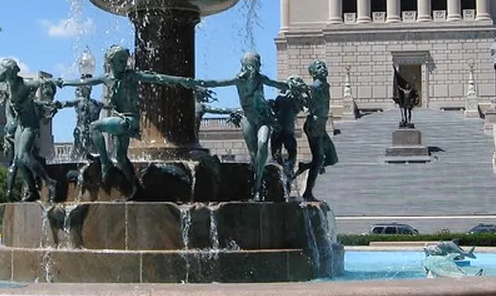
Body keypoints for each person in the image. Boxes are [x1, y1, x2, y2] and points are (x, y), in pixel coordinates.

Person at [56, 45, 208, 197]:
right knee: (121, 157)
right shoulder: (106, 78)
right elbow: (83, 82)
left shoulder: (132, 76)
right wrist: (64, 82)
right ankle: (136, 188)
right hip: (120, 120)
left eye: (125, 60)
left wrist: (183, 81)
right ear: (111, 62)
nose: (125, 63)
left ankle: (105, 162)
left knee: (94, 126)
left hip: (129, 120)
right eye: (120, 61)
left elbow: (156, 78)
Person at [199, 52, 292, 201]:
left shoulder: (261, 79)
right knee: (254, 155)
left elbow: (277, 84)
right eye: (248, 65)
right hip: (247, 118)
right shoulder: (238, 80)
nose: (250, 69)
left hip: (263, 119)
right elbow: (217, 83)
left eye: (253, 65)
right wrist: (198, 83)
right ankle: (256, 185)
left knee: (262, 143)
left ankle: (257, 185)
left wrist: (291, 86)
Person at [0, 59, 57, 202]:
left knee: (23, 156)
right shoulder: (5, 87)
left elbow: (44, 84)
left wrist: (48, 86)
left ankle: (49, 182)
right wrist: (9, 123)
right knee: (18, 160)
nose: (2, 72)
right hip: (20, 126)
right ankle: (32, 191)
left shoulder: (25, 84)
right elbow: (8, 107)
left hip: (30, 125)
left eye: (5, 69)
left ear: (11, 71)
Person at [301, 60, 338, 202]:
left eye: (324, 66)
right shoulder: (315, 87)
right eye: (319, 68)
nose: (323, 69)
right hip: (314, 125)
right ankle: (307, 193)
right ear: (313, 73)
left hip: (321, 126)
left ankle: (305, 166)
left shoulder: (324, 85)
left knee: (331, 158)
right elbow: (307, 98)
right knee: (319, 160)